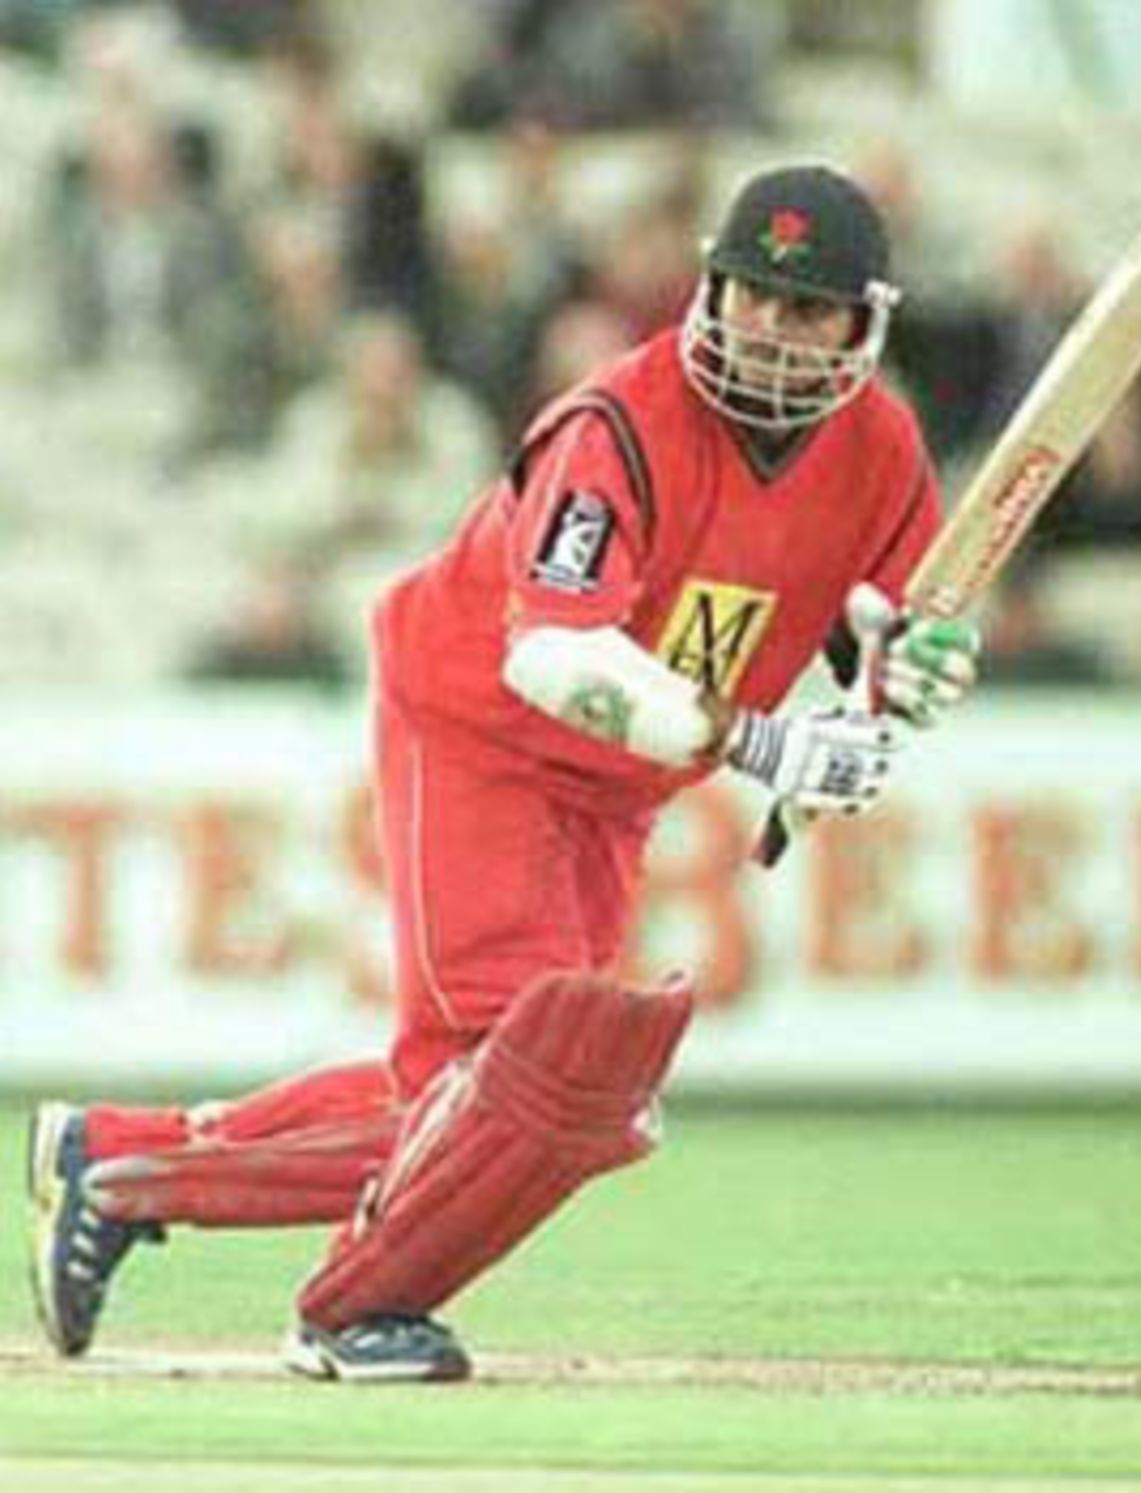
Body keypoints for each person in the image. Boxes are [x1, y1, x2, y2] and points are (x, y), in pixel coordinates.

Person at [27, 164, 981, 1384]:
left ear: (864, 322)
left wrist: (903, 690)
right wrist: (766, 743)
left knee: (520, 1101)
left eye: (806, 311)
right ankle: (344, 1308)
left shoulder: (881, 448)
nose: (770, 330)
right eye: (751, 297)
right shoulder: (618, 423)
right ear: (709, 288)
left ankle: (111, 1160)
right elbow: (549, 654)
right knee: (531, 1090)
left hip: (619, 785)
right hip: (480, 727)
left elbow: (881, 638)